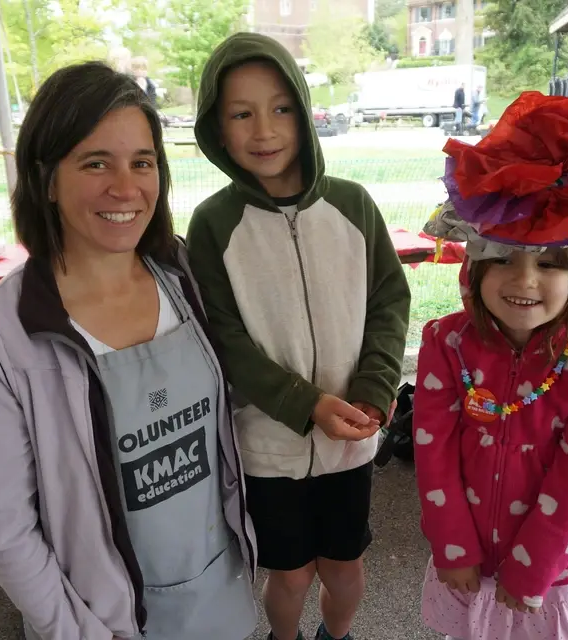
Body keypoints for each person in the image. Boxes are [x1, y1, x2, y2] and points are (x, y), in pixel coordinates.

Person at [0, 61, 257, 640]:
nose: (126, 187)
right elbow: (3, 529)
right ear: (45, 179)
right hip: (104, 622)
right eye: (96, 163)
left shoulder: (183, 275)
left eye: (143, 162)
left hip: (220, 596)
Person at [186, 32, 411, 640]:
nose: (264, 130)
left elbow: (389, 298)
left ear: (306, 113)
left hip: (350, 442)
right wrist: (304, 404)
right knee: (289, 577)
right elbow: (222, 336)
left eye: (281, 108)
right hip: (268, 448)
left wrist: (373, 390)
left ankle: (336, 637)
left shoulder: (354, 206)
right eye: (241, 113)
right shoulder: (213, 225)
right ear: (218, 127)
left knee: (345, 567)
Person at [415, 92, 568, 640]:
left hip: (547, 573)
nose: (524, 281)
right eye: (502, 258)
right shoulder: (445, 344)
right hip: (467, 558)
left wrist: (533, 568)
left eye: (549, 264)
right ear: (474, 268)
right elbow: (432, 454)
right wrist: (451, 546)